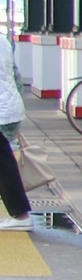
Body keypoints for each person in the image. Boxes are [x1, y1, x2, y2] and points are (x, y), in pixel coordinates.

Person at [0, 58, 29, 231]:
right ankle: (20, 213)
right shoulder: (3, 41)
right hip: (8, 106)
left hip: (3, 108)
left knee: (4, 163)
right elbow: (16, 75)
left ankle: (20, 214)